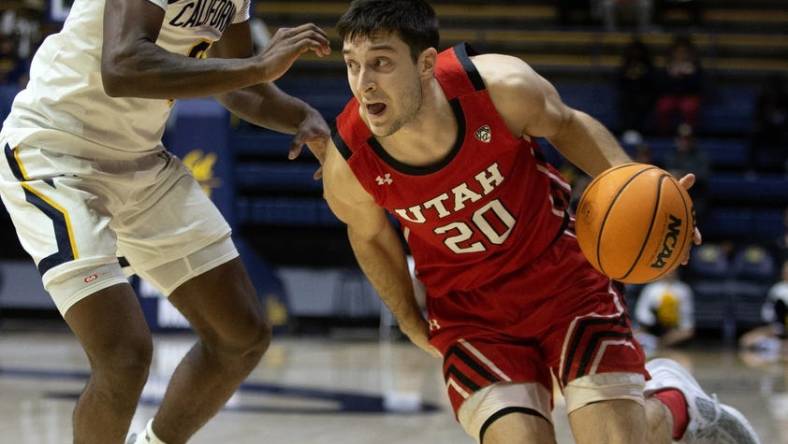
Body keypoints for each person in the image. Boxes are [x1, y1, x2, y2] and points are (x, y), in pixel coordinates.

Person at [322, 1, 760, 443]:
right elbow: (370, 235)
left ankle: (678, 402)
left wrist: (648, 197)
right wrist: (410, 319)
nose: (364, 83)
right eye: (352, 64)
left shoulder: (498, 87)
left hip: (564, 281)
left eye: (381, 63)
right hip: (470, 314)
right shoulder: (349, 162)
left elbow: (568, 126)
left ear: (426, 63)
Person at [0, 0, 330, 443]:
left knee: (240, 336)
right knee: (124, 356)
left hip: (140, 161)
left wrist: (301, 116)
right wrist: (256, 66)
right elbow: (122, 65)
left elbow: (237, 85)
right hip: (55, 151)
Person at [634, 270, 695, 352]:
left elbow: (686, 315)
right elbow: (641, 311)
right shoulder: (651, 288)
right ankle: (652, 344)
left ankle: (660, 345)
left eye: (672, 271)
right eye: (667, 271)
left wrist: (681, 326)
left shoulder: (684, 289)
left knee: (687, 332)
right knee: (634, 333)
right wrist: (651, 320)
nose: (669, 273)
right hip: (653, 326)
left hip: (673, 327)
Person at [740, 260, 788, 358]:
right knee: (746, 340)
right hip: (779, 328)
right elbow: (768, 314)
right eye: (784, 271)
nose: (785, 274)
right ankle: (779, 346)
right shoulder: (777, 289)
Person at [655, 35, 703, 134]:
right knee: (664, 106)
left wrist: (688, 76)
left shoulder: (694, 67)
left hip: (689, 96)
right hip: (671, 96)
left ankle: (689, 134)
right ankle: (664, 133)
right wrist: (672, 76)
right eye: (678, 52)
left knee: (689, 107)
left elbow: (698, 86)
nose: (680, 54)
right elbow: (660, 87)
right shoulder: (668, 67)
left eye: (683, 52)